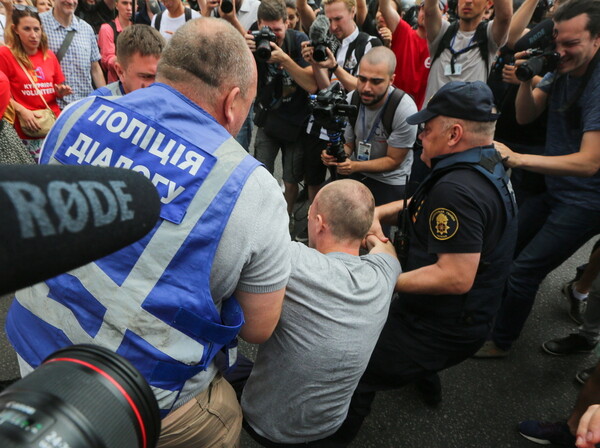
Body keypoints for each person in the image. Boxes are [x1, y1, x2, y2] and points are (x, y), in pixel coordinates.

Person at [5, 17, 291, 447]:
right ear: (233, 102)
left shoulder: (78, 113)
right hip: (142, 397)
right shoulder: (254, 188)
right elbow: (258, 327)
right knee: (225, 415)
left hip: (35, 360)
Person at [336, 81, 518, 443]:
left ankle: (330, 437)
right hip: (456, 311)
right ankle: (425, 378)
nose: (421, 135)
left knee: (358, 371)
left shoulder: (458, 191)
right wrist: (379, 211)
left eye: (429, 127)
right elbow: (424, 204)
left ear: (454, 133)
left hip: (444, 323)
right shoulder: (483, 160)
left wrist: (381, 274)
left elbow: (454, 277)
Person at [475, 0, 600, 358]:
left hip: (586, 199)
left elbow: (591, 162)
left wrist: (519, 158)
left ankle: (501, 342)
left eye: (571, 44)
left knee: (524, 271)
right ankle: (491, 316)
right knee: (506, 247)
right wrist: (525, 81)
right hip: (557, 188)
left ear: (597, 40)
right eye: (557, 41)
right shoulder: (562, 66)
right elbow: (526, 115)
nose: (560, 51)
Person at [241, 179, 401, 446]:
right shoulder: (384, 273)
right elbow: (387, 251)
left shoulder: (291, 260)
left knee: (217, 365)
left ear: (319, 223)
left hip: (266, 424)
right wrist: (370, 235)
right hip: (329, 426)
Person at [247, 0, 317, 222]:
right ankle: (261, 220)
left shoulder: (299, 41)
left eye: (277, 30)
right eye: (268, 30)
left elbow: (312, 85)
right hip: (269, 119)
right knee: (261, 174)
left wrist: (285, 60)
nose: (273, 36)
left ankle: (284, 221)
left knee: (290, 179)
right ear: (259, 24)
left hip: (295, 123)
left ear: (287, 23)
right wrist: (244, 49)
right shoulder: (253, 39)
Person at [322, 46, 417, 210]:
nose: (366, 87)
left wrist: (355, 166)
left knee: (375, 230)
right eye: (362, 79)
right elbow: (350, 145)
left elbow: (393, 161)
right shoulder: (353, 99)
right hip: (358, 170)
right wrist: (336, 155)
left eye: (376, 81)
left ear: (391, 80)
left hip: (390, 178)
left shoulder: (404, 108)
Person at [0, 5, 71, 160]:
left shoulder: (49, 55)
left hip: (51, 129)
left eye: (36, 29)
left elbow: (54, 87)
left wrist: (59, 91)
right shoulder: (5, 55)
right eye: (27, 29)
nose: (33, 35)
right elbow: (2, 92)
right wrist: (21, 110)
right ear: (15, 29)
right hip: (23, 132)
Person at [422, 0, 512, 102]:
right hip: (433, 116)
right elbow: (429, 10)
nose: (468, 1)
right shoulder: (442, 31)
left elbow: (505, 16)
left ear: (489, 4)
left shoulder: (489, 36)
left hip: (468, 117)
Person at [40, 0, 105, 108]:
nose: (70, 2)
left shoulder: (87, 29)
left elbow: (95, 69)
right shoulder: (39, 23)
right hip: (53, 106)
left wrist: (105, 99)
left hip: (84, 105)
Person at [378, 0, 431, 109]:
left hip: (424, 116)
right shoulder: (404, 32)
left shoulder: (444, 44)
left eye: (432, 10)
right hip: (394, 110)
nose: (426, 14)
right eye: (423, 9)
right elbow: (384, 7)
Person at [92, 24, 165, 96]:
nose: (156, 85)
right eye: (147, 77)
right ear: (120, 72)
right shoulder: (97, 103)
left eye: (159, 76)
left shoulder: (169, 98)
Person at [98, 0, 132, 83]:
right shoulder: (107, 28)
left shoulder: (139, 28)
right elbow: (107, 60)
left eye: (132, 4)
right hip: (116, 85)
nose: (129, 8)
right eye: (124, 3)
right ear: (116, 5)